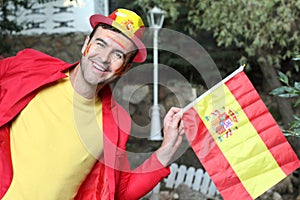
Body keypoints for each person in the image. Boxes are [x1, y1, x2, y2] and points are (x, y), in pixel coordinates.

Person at [0, 8, 184, 200]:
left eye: (118, 55)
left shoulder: (116, 123)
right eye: (100, 43)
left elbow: (118, 192)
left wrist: (166, 150)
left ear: (125, 69)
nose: (104, 59)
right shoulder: (30, 67)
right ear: (86, 44)